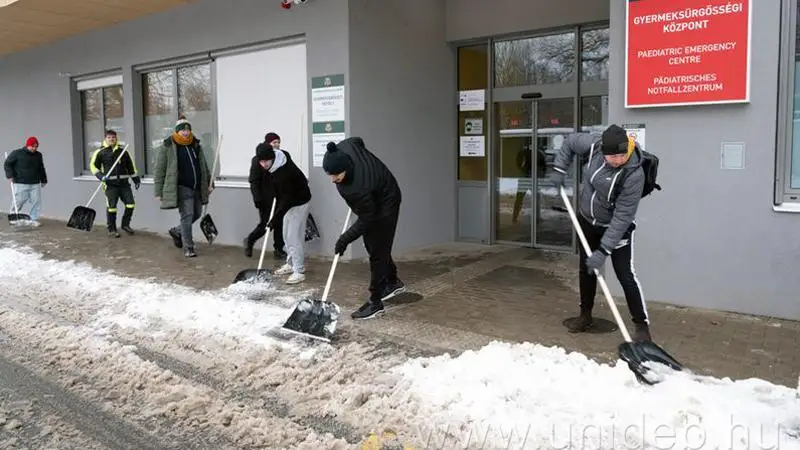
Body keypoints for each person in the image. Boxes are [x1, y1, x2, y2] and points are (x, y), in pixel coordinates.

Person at [550, 124, 651, 342]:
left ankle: (642, 327)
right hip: (587, 221)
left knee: (625, 275)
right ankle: (585, 315)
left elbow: (623, 217)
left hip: (615, 228)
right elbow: (569, 143)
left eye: (621, 155)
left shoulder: (634, 174)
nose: (617, 160)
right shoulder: (595, 144)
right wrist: (559, 168)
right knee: (586, 271)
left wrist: (604, 249)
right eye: (612, 156)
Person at [322, 137, 405, 320]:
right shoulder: (344, 147)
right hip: (372, 196)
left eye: (336, 175)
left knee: (377, 250)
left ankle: (375, 303)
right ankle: (392, 281)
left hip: (387, 201)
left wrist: (344, 239)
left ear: (345, 169)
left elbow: (366, 219)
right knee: (373, 245)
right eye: (330, 174)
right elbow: (358, 140)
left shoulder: (358, 187)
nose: (333, 179)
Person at [153, 116, 213, 258]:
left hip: (197, 186)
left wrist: (210, 183)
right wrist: (158, 191)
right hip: (181, 187)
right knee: (187, 216)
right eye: (183, 130)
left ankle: (177, 231)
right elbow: (159, 169)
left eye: (187, 130)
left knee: (197, 213)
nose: (186, 133)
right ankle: (188, 247)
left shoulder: (195, 145)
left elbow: (204, 166)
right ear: (177, 131)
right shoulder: (168, 146)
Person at [256, 142, 311, 284]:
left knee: (293, 236)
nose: (263, 165)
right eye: (261, 161)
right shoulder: (277, 160)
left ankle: (299, 270)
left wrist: (274, 219)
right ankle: (291, 263)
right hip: (287, 200)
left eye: (266, 161)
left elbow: (287, 199)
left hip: (299, 201)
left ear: (272, 157)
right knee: (286, 235)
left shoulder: (285, 173)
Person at [89, 130, 141, 238]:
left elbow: (131, 166)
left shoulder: (123, 151)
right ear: (105, 139)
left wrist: (136, 179)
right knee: (112, 207)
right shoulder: (100, 152)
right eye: (109, 137)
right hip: (110, 184)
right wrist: (100, 176)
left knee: (130, 204)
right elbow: (93, 166)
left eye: (113, 137)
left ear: (116, 138)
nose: (111, 139)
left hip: (124, 184)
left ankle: (125, 224)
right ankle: (112, 229)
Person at [244, 132, 287, 259]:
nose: (277, 145)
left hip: (279, 197)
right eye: (274, 142)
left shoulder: (281, 158)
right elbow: (254, 181)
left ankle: (278, 249)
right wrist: (257, 198)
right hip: (265, 199)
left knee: (279, 223)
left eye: (278, 142)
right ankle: (250, 240)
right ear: (268, 144)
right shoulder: (258, 160)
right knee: (266, 225)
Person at [4, 136, 47, 227]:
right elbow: (7, 163)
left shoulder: (38, 155)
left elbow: (41, 168)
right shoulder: (17, 153)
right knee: (19, 200)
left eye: (36, 147)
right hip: (20, 182)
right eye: (32, 146)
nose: (34, 148)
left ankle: (34, 218)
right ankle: (13, 216)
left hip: (35, 182)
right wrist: (9, 175)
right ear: (27, 145)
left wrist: (43, 179)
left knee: (36, 202)